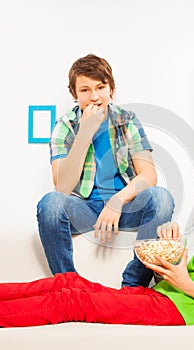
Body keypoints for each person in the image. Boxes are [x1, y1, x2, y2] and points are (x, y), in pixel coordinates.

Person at [0, 154, 194, 327]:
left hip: (182, 310)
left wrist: (185, 283)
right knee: (68, 281)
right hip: (159, 295)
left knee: (71, 301)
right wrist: (169, 252)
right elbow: (177, 273)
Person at [36, 54, 174, 287]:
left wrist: (117, 202)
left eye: (100, 87)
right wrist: (84, 133)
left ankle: (134, 284)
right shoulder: (65, 125)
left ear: (111, 89)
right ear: (74, 95)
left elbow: (148, 175)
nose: (94, 97)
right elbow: (62, 187)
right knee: (50, 204)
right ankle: (69, 285)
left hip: (125, 206)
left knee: (162, 199)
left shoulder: (127, 120)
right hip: (85, 208)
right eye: (85, 90)